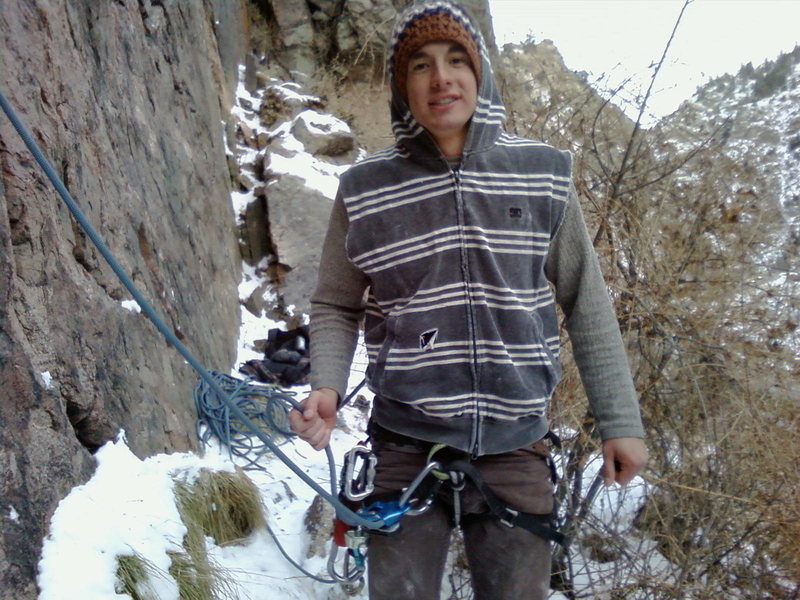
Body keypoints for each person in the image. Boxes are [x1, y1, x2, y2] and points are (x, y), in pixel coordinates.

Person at [288, 2, 648, 598]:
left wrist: (619, 421)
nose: (441, 78)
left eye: (457, 60)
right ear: (403, 87)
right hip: (404, 444)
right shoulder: (364, 190)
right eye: (421, 66)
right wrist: (326, 383)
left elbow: (584, 298)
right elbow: (335, 302)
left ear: (479, 75)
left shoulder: (542, 173)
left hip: (517, 445)